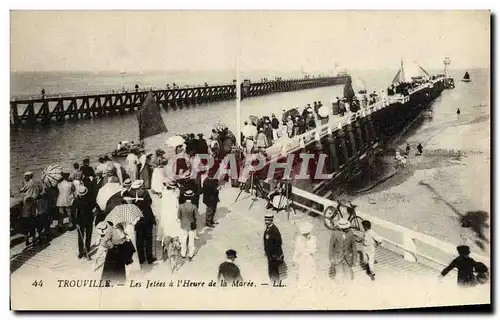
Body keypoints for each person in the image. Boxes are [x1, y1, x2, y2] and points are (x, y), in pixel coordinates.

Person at [129, 180, 157, 265]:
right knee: (148, 239)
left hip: (137, 219)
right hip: (147, 218)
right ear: (140, 186)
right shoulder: (145, 193)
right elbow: (150, 202)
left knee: (139, 239)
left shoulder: (131, 194)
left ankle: (141, 258)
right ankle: (149, 258)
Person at [328, 219, 357, 295]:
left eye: (347, 228)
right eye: (344, 228)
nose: (346, 229)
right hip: (338, 258)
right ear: (340, 227)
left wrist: (354, 260)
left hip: (348, 258)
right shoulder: (335, 233)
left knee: (348, 274)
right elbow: (331, 247)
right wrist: (331, 259)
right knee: (339, 274)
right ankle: (340, 289)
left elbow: (354, 247)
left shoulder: (351, 234)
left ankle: (347, 290)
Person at [20, 172, 42, 245]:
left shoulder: (28, 183)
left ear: (29, 176)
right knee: (33, 220)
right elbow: (40, 190)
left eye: (26, 176)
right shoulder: (36, 182)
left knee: (26, 221)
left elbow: (21, 190)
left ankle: (27, 238)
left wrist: (22, 186)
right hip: (34, 202)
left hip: (27, 202)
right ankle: (35, 237)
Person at [73, 185, 95, 259]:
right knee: (81, 237)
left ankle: (87, 251)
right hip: (80, 221)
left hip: (89, 219)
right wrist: (76, 223)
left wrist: (93, 213)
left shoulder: (90, 199)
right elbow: (74, 213)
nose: (83, 196)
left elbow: (95, 207)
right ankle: (80, 252)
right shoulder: (76, 201)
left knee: (88, 236)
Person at [292, 222, 316, 288]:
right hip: (301, 259)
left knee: (310, 274)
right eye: (304, 234)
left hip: (309, 259)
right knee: (300, 274)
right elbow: (296, 250)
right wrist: (294, 259)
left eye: (307, 233)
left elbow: (313, 250)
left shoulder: (313, 239)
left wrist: (307, 251)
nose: (305, 235)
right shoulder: (299, 239)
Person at [263, 214, 287, 282]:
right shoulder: (268, 228)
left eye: (267, 220)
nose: (266, 222)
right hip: (270, 254)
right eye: (265, 220)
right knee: (271, 269)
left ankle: (275, 283)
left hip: (274, 255)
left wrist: (275, 254)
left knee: (274, 270)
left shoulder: (274, 230)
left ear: (271, 220)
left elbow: (278, 242)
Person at [177, 190, 198, 261]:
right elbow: (197, 217)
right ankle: (190, 254)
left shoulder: (181, 206)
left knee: (184, 239)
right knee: (191, 240)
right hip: (192, 225)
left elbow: (178, 216)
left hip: (183, 225)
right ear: (192, 197)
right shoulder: (194, 207)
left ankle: (183, 253)